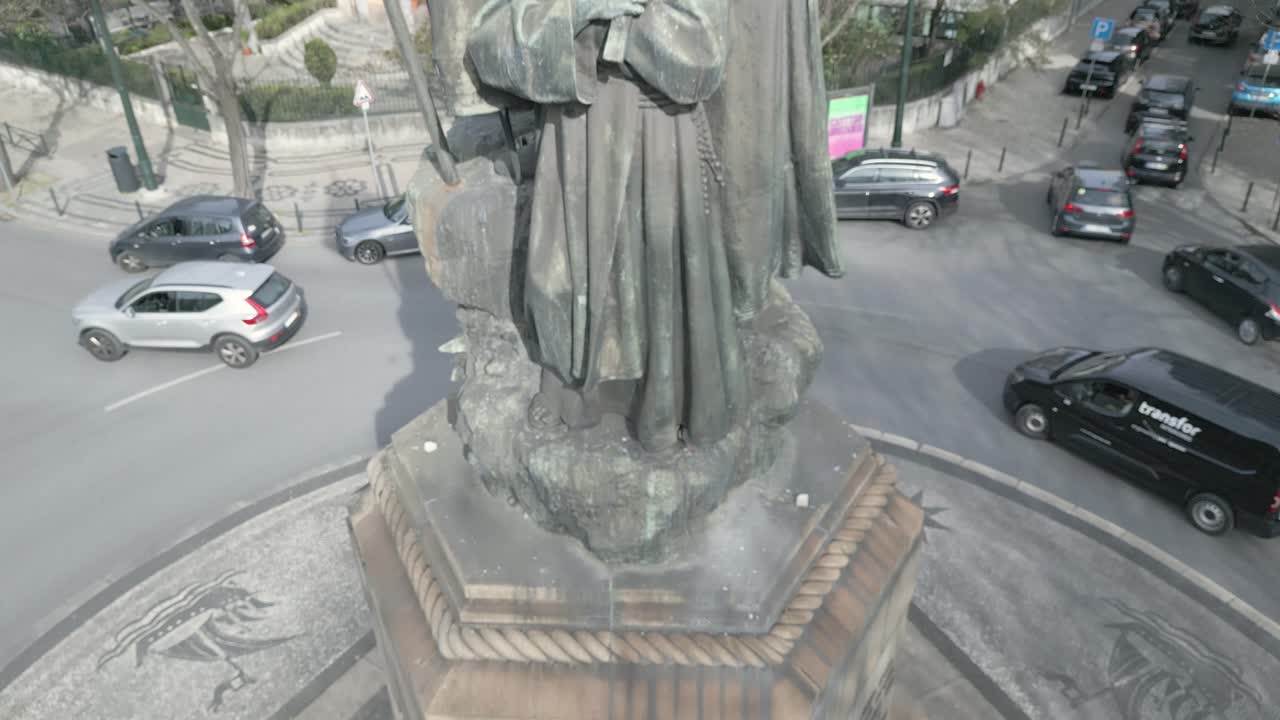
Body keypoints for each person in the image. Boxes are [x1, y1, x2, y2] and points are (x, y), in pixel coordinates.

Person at [468, 0, 738, 453]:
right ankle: (572, 391)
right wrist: (576, 12)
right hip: (575, 135)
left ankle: (662, 405)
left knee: (659, 280)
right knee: (564, 278)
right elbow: (489, 47)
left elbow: (704, 59)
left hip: (659, 133)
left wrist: (614, 33)